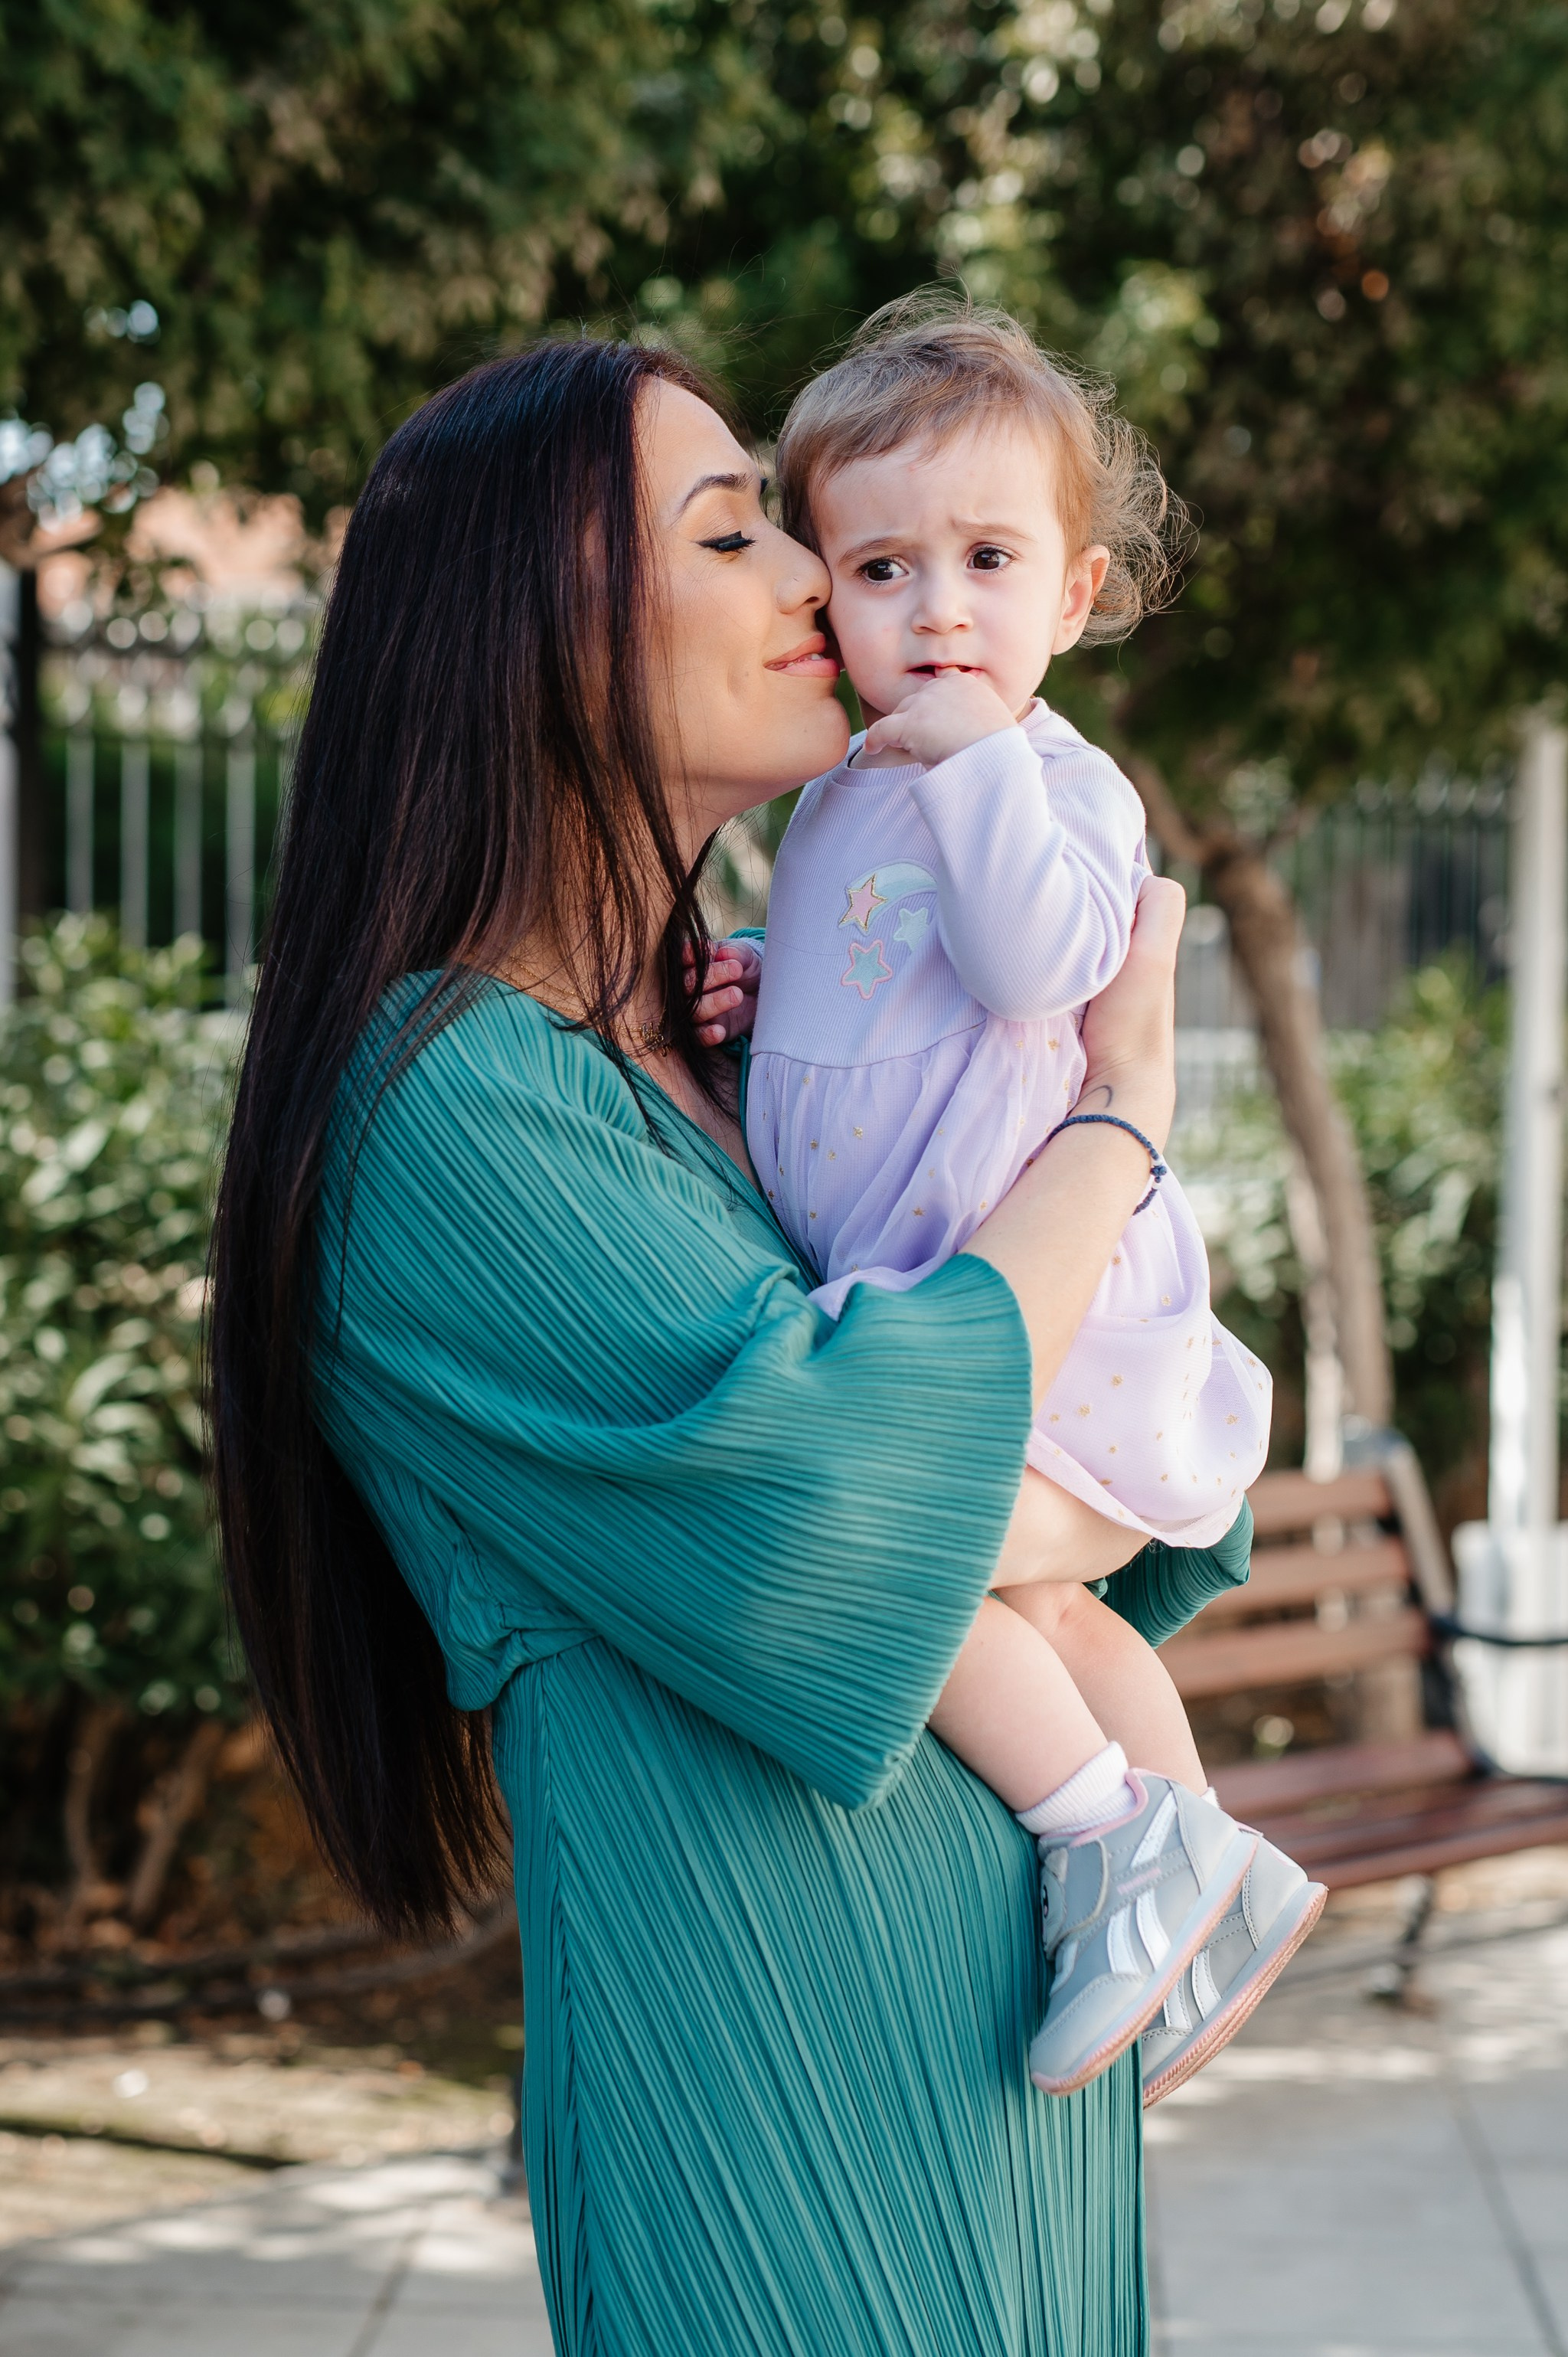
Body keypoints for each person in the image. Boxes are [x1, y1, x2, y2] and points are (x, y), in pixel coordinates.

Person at [213, 335, 1253, 2357]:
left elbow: (1065, 1514)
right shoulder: (446, 1108)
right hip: (776, 2119)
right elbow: (848, 1505)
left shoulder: (716, 1051)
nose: (819, 575)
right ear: (533, 627)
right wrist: (1117, 1113)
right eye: (738, 526)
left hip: (998, 2094)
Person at [708, 300, 1324, 2104]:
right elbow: (869, 1005)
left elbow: (1035, 958)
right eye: (883, 567)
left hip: (1055, 1337)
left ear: (1074, 596)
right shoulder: (831, 801)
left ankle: (1100, 1837)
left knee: (919, 1562)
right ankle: (1203, 1862)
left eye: (988, 562)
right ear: (825, 590)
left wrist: (977, 761)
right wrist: (759, 974)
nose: (939, 612)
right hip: (941, 1315)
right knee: (1048, 1621)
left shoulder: (1057, 787)